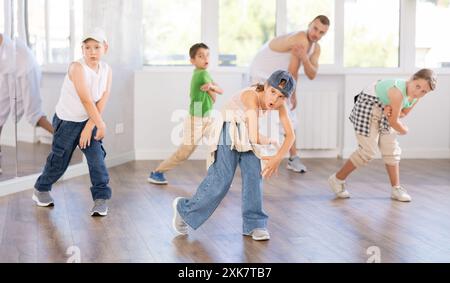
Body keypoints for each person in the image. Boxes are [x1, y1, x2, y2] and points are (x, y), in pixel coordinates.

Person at [171, 70, 296, 241]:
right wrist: (270, 141)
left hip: (247, 129)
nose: (274, 99)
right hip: (228, 128)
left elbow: (291, 135)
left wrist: (277, 158)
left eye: (281, 96)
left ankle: (255, 224)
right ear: (266, 86)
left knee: (254, 175)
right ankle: (184, 209)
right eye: (273, 92)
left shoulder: (279, 105)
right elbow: (254, 137)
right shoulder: (251, 97)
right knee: (221, 179)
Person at [32, 28, 113, 216]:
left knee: (96, 159)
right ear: (82, 49)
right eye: (87, 47)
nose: (92, 51)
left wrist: (91, 125)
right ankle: (41, 188)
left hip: (89, 120)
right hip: (67, 122)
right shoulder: (77, 68)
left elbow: (104, 96)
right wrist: (100, 124)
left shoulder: (107, 70)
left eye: (96, 47)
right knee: (59, 162)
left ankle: (101, 199)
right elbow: (86, 100)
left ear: (105, 48)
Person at [328, 69, 437, 202]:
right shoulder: (398, 92)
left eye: (424, 92)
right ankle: (337, 179)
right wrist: (404, 130)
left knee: (391, 149)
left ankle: (396, 189)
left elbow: (403, 113)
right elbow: (394, 121)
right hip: (369, 107)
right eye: (417, 86)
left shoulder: (415, 98)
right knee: (367, 152)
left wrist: (390, 113)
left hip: (387, 110)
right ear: (411, 79)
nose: (418, 92)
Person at [249, 15, 330, 173]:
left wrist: (305, 58)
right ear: (309, 24)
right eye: (315, 28)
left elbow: (312, 74)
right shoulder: (301, 38)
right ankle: (255, 156)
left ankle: (292, 158)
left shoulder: (315, 48)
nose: (316, 34)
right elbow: (292, 71)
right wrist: (292, 94)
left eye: (321, 32)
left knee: (288, 114)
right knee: (263, 114)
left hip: (277, 77)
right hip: (261, 73)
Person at [148, 43, 223, 185]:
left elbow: (218, 91)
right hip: (197, 120)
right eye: (200, 56)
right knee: (184, 153)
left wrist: (211, 88)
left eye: (207, 55)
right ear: (192, 61)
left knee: (218, 144)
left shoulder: (201, 73)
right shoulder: (202, 74)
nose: (205, 58)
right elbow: (216, 95)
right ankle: (157, 173)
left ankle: (219, 178)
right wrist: (212, 89)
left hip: (207, 118)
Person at [0, 33, 53, 174]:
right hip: (11, 73)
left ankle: (63, 138)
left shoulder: (9, 47)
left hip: (26, 70)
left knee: (34, 115)